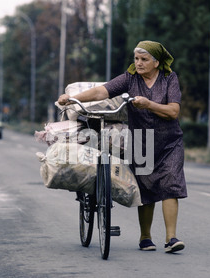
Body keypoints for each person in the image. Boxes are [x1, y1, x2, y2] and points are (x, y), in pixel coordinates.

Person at [58, 40, 187, 253]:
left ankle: (171, 238)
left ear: (156, 62)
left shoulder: (169, 78)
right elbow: (102, 92)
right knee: (146, 188)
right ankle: (145, 237)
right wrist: (72, 99)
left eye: (144, 59)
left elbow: (173, 111)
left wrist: (148, 104)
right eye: (136, 59)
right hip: (141, 139)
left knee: (171, 186)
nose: (139, 63)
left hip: (169, 142)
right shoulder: (130, 79)